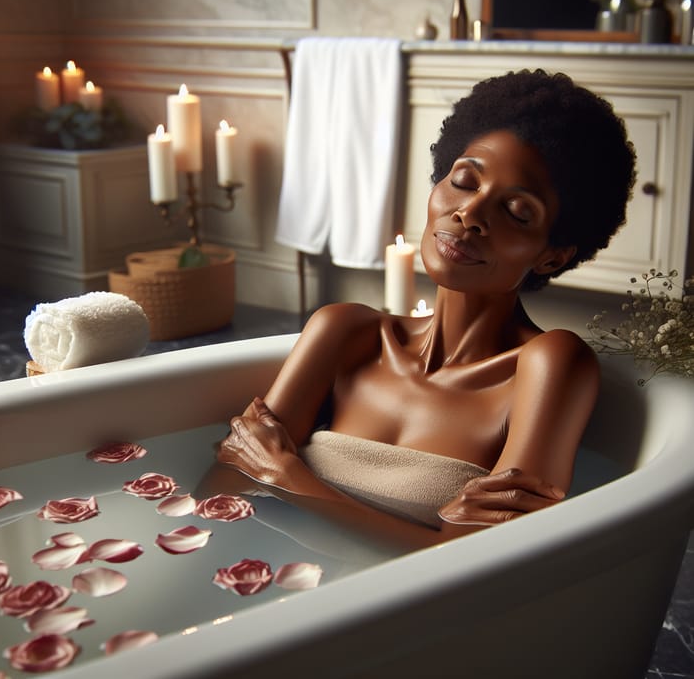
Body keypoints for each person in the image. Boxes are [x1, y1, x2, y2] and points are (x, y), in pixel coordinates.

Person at [217, 69, 636, 552]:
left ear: (553, 255)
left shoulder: (549, 364)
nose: (470, 214)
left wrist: (291, 479)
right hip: (260, 579)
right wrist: (431, 534)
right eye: (463, 181)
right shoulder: (344, 331)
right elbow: (226, 487)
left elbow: (483, 564)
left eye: (517, 212)